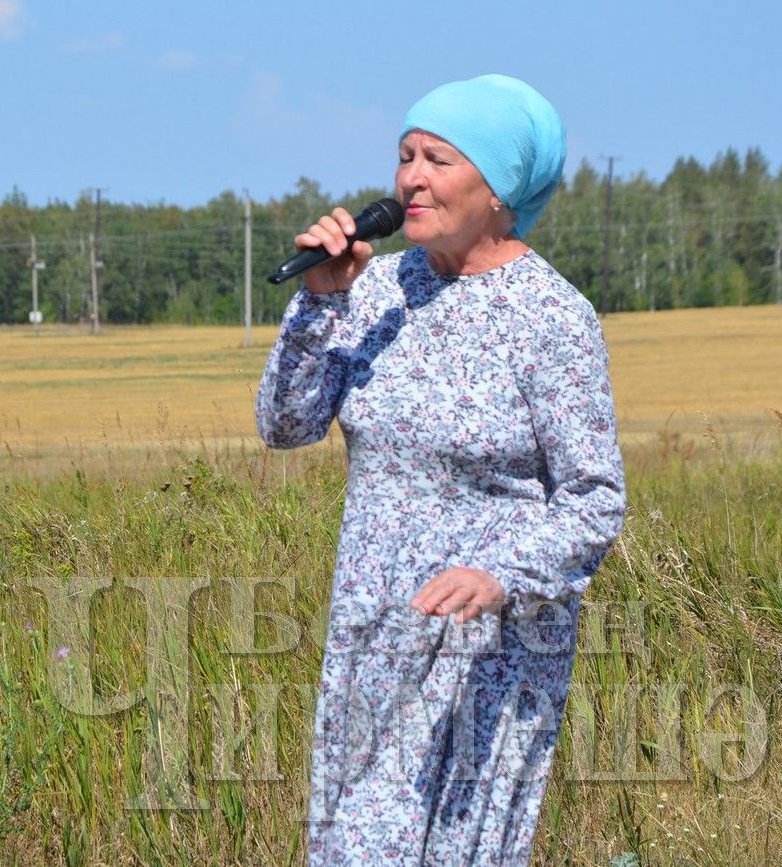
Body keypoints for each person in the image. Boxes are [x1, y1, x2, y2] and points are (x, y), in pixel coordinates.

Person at [255, 75, 626, 865]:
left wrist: (501, 574)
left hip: (489, 646)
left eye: (438, 159)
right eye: (404, 156)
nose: (410, 179)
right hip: (372, 629)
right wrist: (318, 304)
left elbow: (593, 501)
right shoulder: (376, 289)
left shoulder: (551, 318)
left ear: (500, 189)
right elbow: (285, 427)